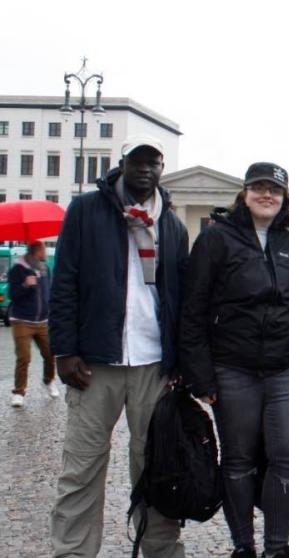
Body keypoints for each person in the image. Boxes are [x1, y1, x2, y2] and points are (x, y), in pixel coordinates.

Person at [49, 135, 188, 557]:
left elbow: (179, 298)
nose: (145, 169)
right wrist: (64, 350)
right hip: (96, 361)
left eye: (153, 162)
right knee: (81, 467)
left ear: (161, 168)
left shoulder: (172, 226)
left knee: (156, 468)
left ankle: (161, 550)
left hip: (153, 364)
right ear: (122, 164)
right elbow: (65, 282)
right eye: (137, 161)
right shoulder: (86, 211)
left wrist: (179, 359)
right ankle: (73, 552)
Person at [182, 162, 289, 558]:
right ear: (244, 193)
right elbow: (193, 308)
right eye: (259, 188)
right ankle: (243, 546)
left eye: (275, 190)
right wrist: (200, 374)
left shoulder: (288, 243)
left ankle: (277, 546)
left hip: (285, 366)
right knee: (238, 458)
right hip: (233, 366)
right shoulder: (216, 239)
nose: (267, 195)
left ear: (284, 198)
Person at [8, 239, 57, 407]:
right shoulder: (18, 269)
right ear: (36, 251)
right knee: (24, 357)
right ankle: (19, 392)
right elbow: (12, 295)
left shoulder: (45, 269)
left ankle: (48, 380)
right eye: (43, 249)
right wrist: (25, 285)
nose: (46, 253)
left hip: (43, 320)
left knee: (50, 353)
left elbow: (49, 291)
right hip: (22, 320)